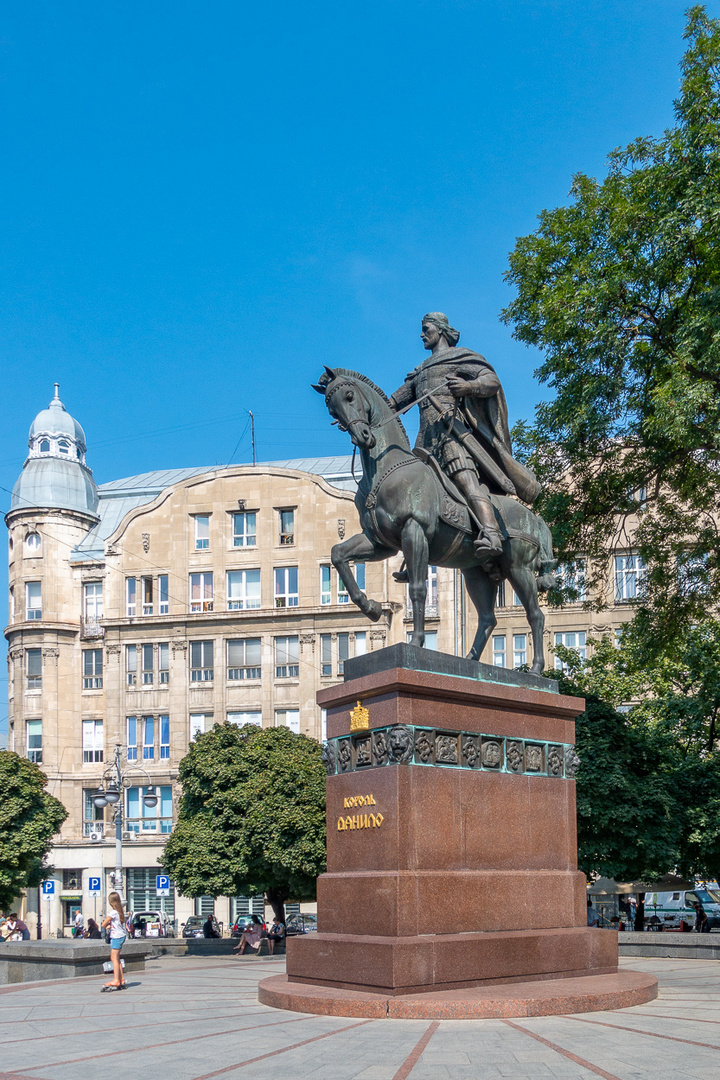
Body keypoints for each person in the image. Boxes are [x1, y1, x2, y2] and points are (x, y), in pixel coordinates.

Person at [389, 313, 540, 575]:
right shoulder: (420, 371)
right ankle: (413, 553)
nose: (422, 334)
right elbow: (393, 403)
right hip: (425, 443)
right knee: (413, 496)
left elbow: (491, 381)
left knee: (467, 481)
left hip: (452, 434)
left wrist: (469, 386)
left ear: (441, 331)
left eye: (426, 329)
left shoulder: (459, 358)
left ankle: (491, 534)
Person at [100, 891, 130, 990]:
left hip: (116, 937)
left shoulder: (113, 912)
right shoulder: (120, 911)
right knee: (116, 958)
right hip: (121, 936)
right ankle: (121, 979)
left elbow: (103, 924)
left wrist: (107, 926)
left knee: (113, 958)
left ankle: (116, 980)